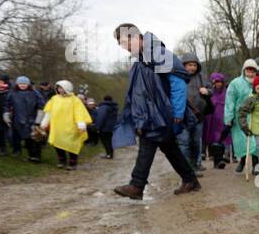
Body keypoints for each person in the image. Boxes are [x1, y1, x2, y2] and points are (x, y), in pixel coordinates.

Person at [110, 23, 201, 199]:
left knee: (147, 143)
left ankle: (137, 186)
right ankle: (190, 180)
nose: (124, 47)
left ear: (135, 37)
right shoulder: (142, 60)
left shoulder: (158, 54)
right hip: (151, 115)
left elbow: (178, 82)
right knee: (170, 148)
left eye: (124, 42)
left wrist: (178, 112)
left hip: (162, 114)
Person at [40, 80, 92, 170]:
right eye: (58, 88)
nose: (59, 90)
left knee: (72, 144)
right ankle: (61, 161)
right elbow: (49, 112)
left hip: (71, 127)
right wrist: (44, 123)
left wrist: (81, 125)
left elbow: (79, 113)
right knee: (58, 144)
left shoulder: (75, 100)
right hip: (58, 127)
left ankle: (72, 163)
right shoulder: (54, 99)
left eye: (61, 88)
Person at [225, 60, 259, 173]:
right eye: (248, 71)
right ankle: (242, 161)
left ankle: (256, 164)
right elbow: (230, 100)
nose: (250, 74)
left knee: (255, 141)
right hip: (240, 117)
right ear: (244, 70)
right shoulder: (235, 83)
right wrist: (229, 117)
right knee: (242, 141)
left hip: (256, 116)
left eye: (253, 71)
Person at [178, 52, 211, 173]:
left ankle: (195, 165)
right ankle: (187, 170)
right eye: (189, 65)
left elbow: (211, 89)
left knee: (196, 142)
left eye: (194, 65)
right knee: (184, 142)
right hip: (183, 116)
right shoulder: (178, 77)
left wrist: (207, 91)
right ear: (184, 65)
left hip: (198, 116)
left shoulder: (202, 77)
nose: (192, 67)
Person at [7, 75, 44, 162]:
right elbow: (7, 105)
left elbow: (41, 105)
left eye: (24, 84)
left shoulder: (34, 93)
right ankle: (31, 155)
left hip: (33, 120)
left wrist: (38, 119)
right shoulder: (13, 93)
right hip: (18, 120)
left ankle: (37, 156)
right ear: (17, 84)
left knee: (36, 139)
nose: (22, 85)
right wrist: (7, 115)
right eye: (20, 84)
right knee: (27, 140)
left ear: (28, 84)